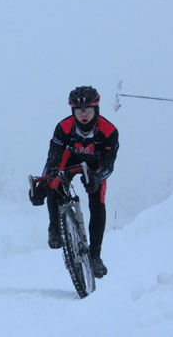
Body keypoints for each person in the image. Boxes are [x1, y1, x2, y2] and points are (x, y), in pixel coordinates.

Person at [29, 86, 119, 278]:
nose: (83, 114)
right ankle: (55, 227)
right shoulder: (63, 128)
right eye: (79, 110)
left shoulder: (109, 131)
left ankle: (95, 257)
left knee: (97, 201)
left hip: (96, 165)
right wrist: (42, 188)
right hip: (69, 159)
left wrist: (97, 177)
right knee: (54, 181)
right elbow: (52, 159)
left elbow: (109, 165)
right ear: (72, 111)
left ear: (96, 109)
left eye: (88, 109)